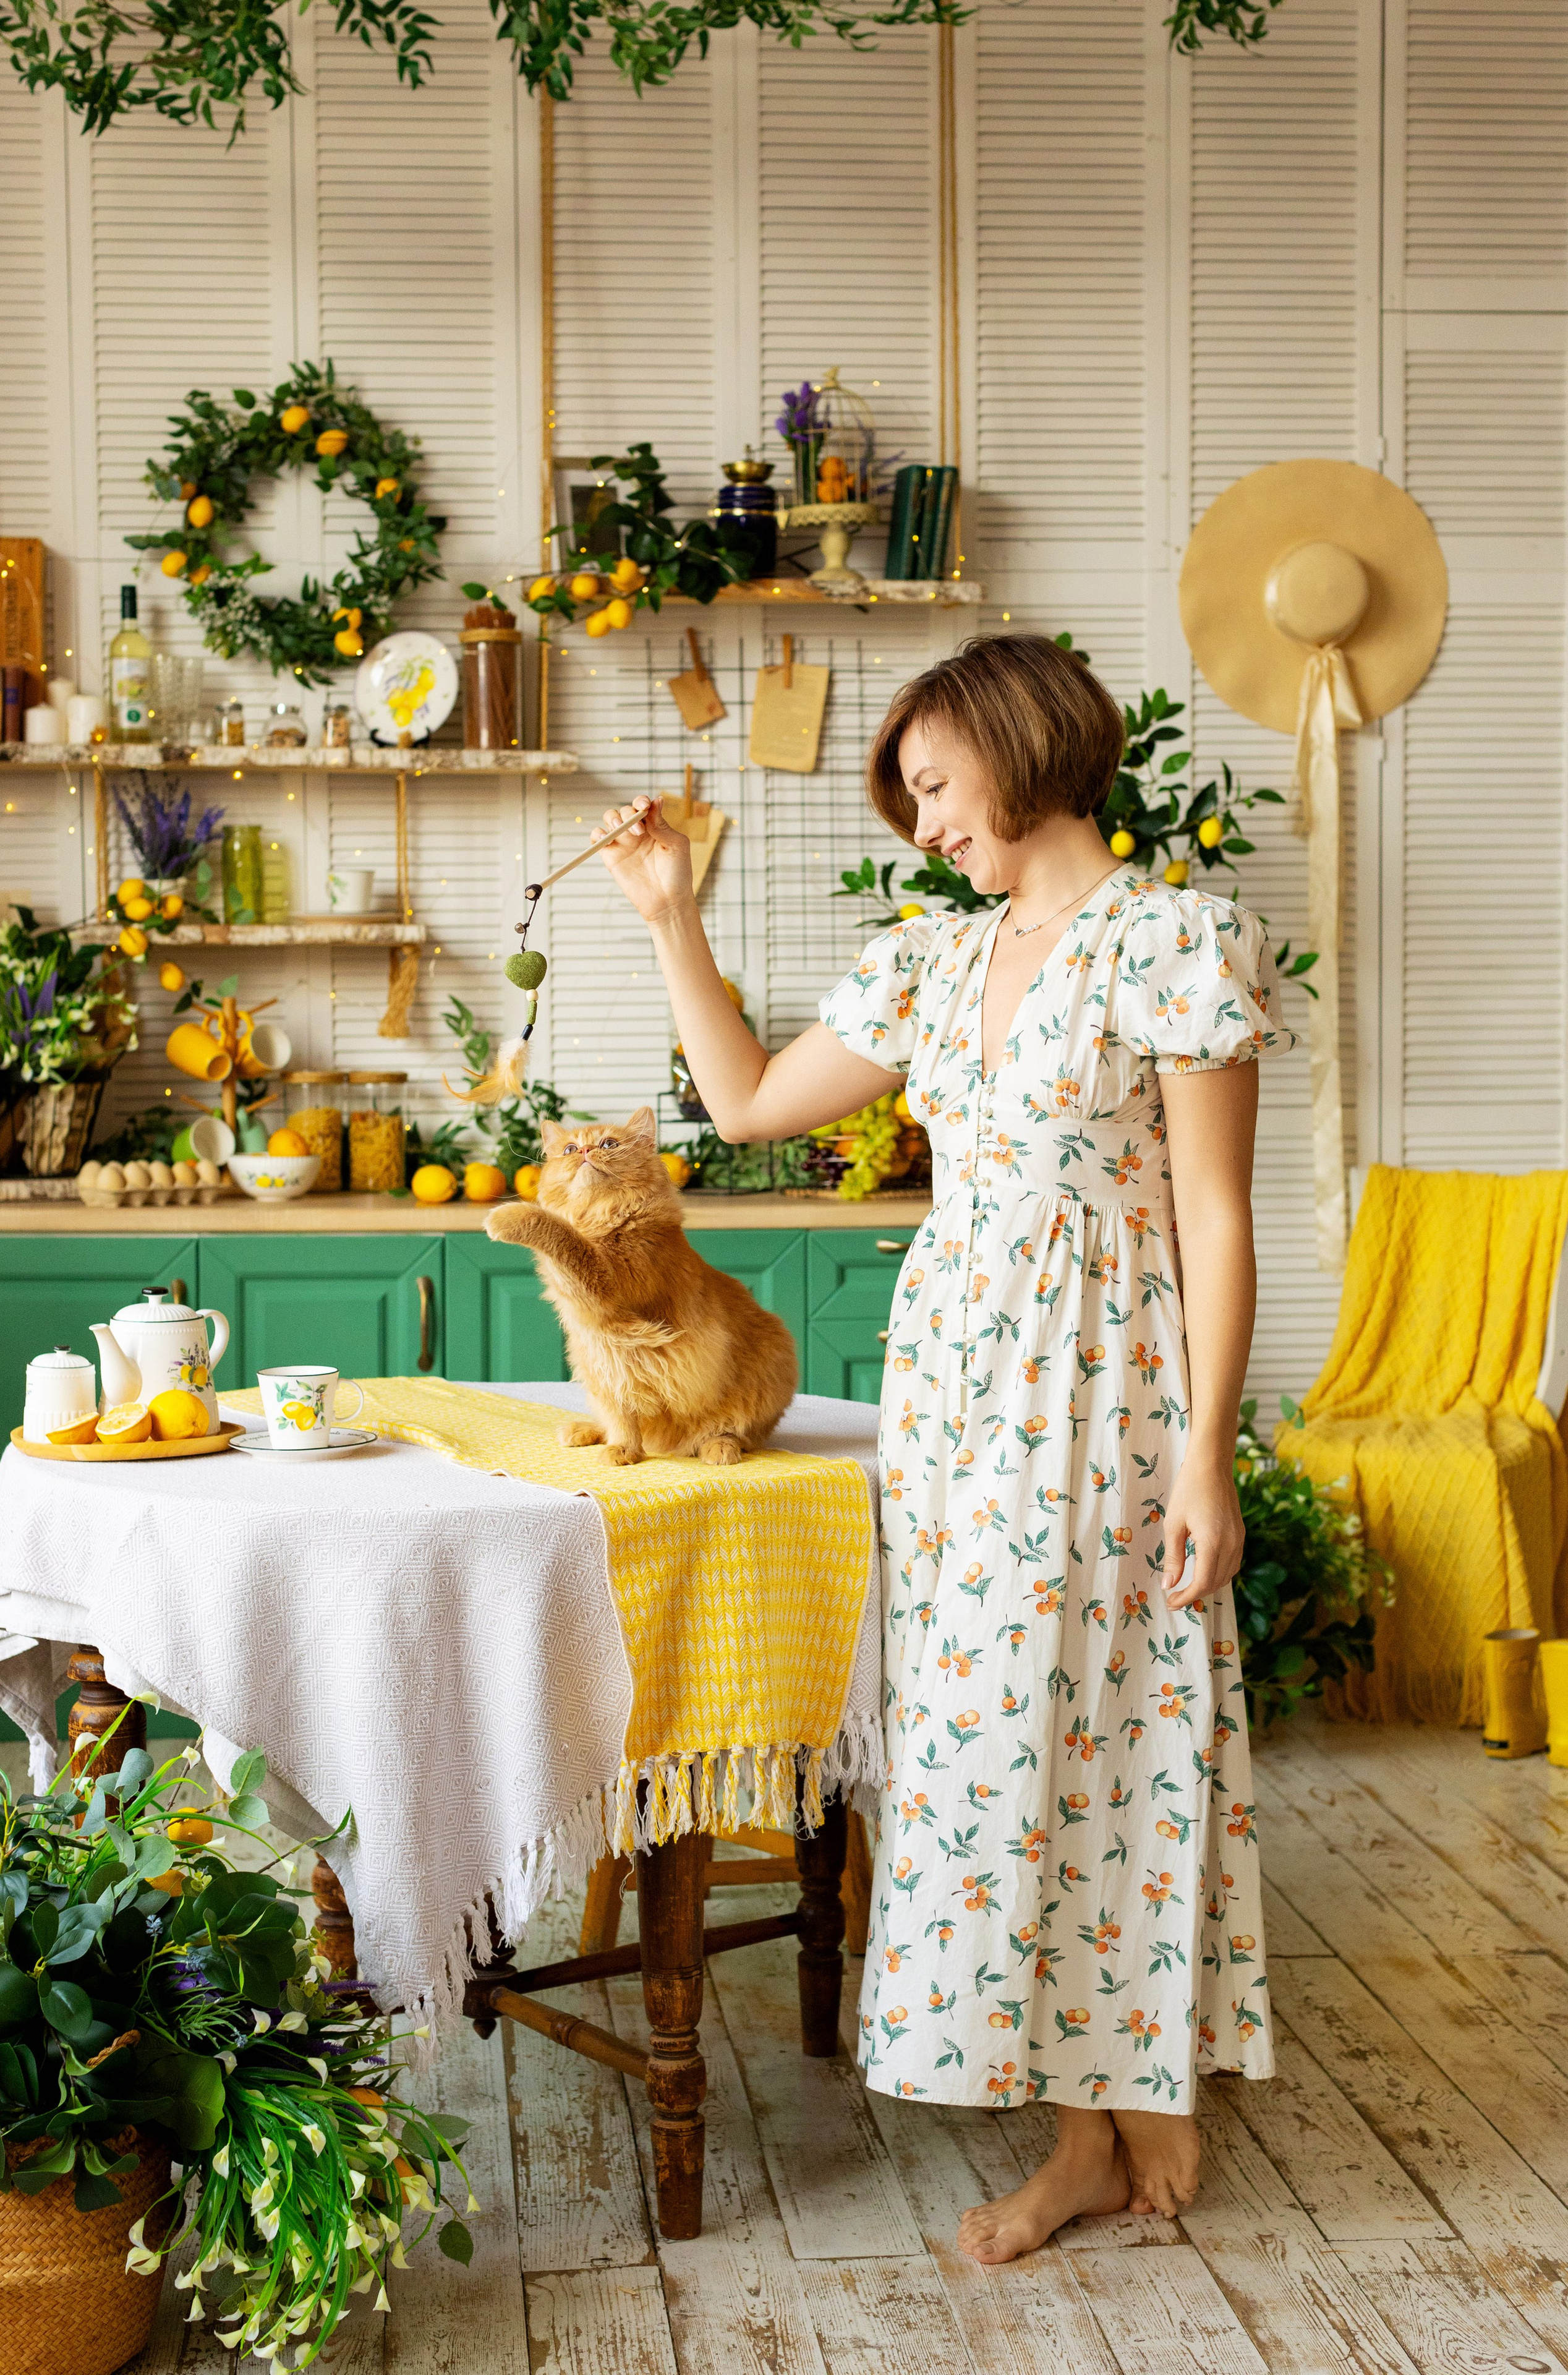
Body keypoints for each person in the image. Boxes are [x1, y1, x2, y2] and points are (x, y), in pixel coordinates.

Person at [592, 631, 1294, 2261]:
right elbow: (755, 1097)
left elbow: (1217, 1207)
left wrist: (1205, 1459)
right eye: (907, 803)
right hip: (957, 1402)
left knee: (1105, 1738)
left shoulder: (1173, 940)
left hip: (1108, 1386)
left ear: (1014, 740)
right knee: (985, 1751)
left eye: (931, 784)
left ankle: (1107, 2126)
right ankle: (1116, 2112)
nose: (924, 828)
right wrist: (672, 916)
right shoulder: (935, 954)